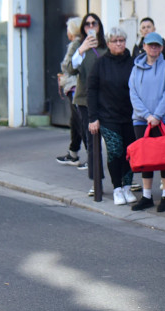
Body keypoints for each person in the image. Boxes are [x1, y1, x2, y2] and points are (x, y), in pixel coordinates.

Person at [87, 27, 137, 206]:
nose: (119, 44)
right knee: (115, 151)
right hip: (108, 116)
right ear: (108, 44)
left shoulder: (133, 62)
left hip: (131, 116)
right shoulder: (100, 64)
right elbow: (91, 90)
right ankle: (117, 187)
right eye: (115, 41)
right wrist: (93, 117)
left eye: (122, 41)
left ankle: (127, 187)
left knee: (130, 153)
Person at [129, 32, 165, 212]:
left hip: (164, 120)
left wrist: (156, 116)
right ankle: (147, 195)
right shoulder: (135, 68)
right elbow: (133, 94)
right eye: (150, 45)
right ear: (144, 46)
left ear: (162, 48)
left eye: (157, 45)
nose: (154, 48)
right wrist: (147, 115)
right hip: (141, 121)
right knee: (145, 158)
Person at [69, 13, 108, 191]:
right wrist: (81, 50)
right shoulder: (78, 46)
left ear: (99, 26)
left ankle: (123, 180)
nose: (91, 27)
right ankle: (96, 182)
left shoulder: (106, 45)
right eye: (87, 24)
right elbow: (70, 68)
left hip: (108, 100)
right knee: (92, 142)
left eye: (94, 23)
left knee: (115, 141)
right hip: (85, 99)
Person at [56, 17, 85, 166]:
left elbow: (66, 65)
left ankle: (88, 159)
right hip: (75, 87)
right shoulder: (82, 42)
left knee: (79, 121)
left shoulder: (75, 44)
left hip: (74, 88)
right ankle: (73, 152)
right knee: (75, 121)